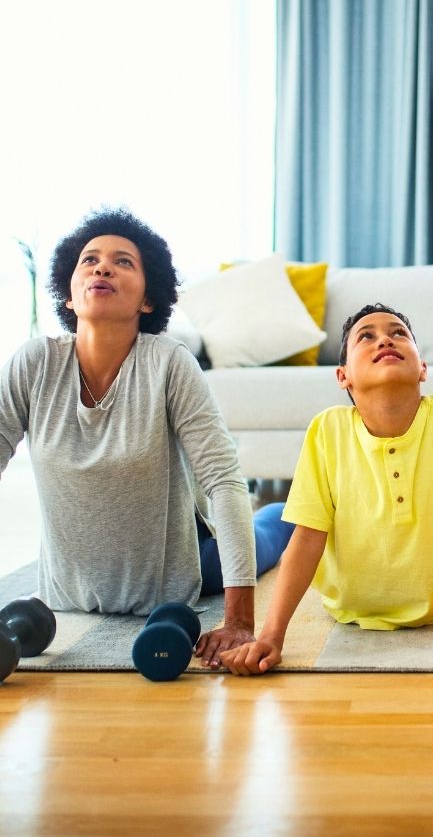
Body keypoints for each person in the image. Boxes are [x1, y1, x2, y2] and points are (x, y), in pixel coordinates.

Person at [0, 208, 293, 668]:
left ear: (148, 301)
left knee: (271, 532)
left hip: (184, 571)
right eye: (90, 259)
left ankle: (285, 514)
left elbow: (223, 480)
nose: (102, 267)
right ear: (69, 294)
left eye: (123, 262)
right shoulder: (34, 363)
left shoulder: (169, 363)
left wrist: (239, 619)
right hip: (69, 593)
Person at [221, 303, 433, 675]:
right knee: (289, 523)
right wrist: (271, 636)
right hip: (344, 604)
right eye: (366, 336)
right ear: (343, 375)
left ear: (423, 369)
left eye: (399, 333)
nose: (385, 338)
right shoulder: (326, 429)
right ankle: (273, 515)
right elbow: (308, 537)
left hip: (431, 608)